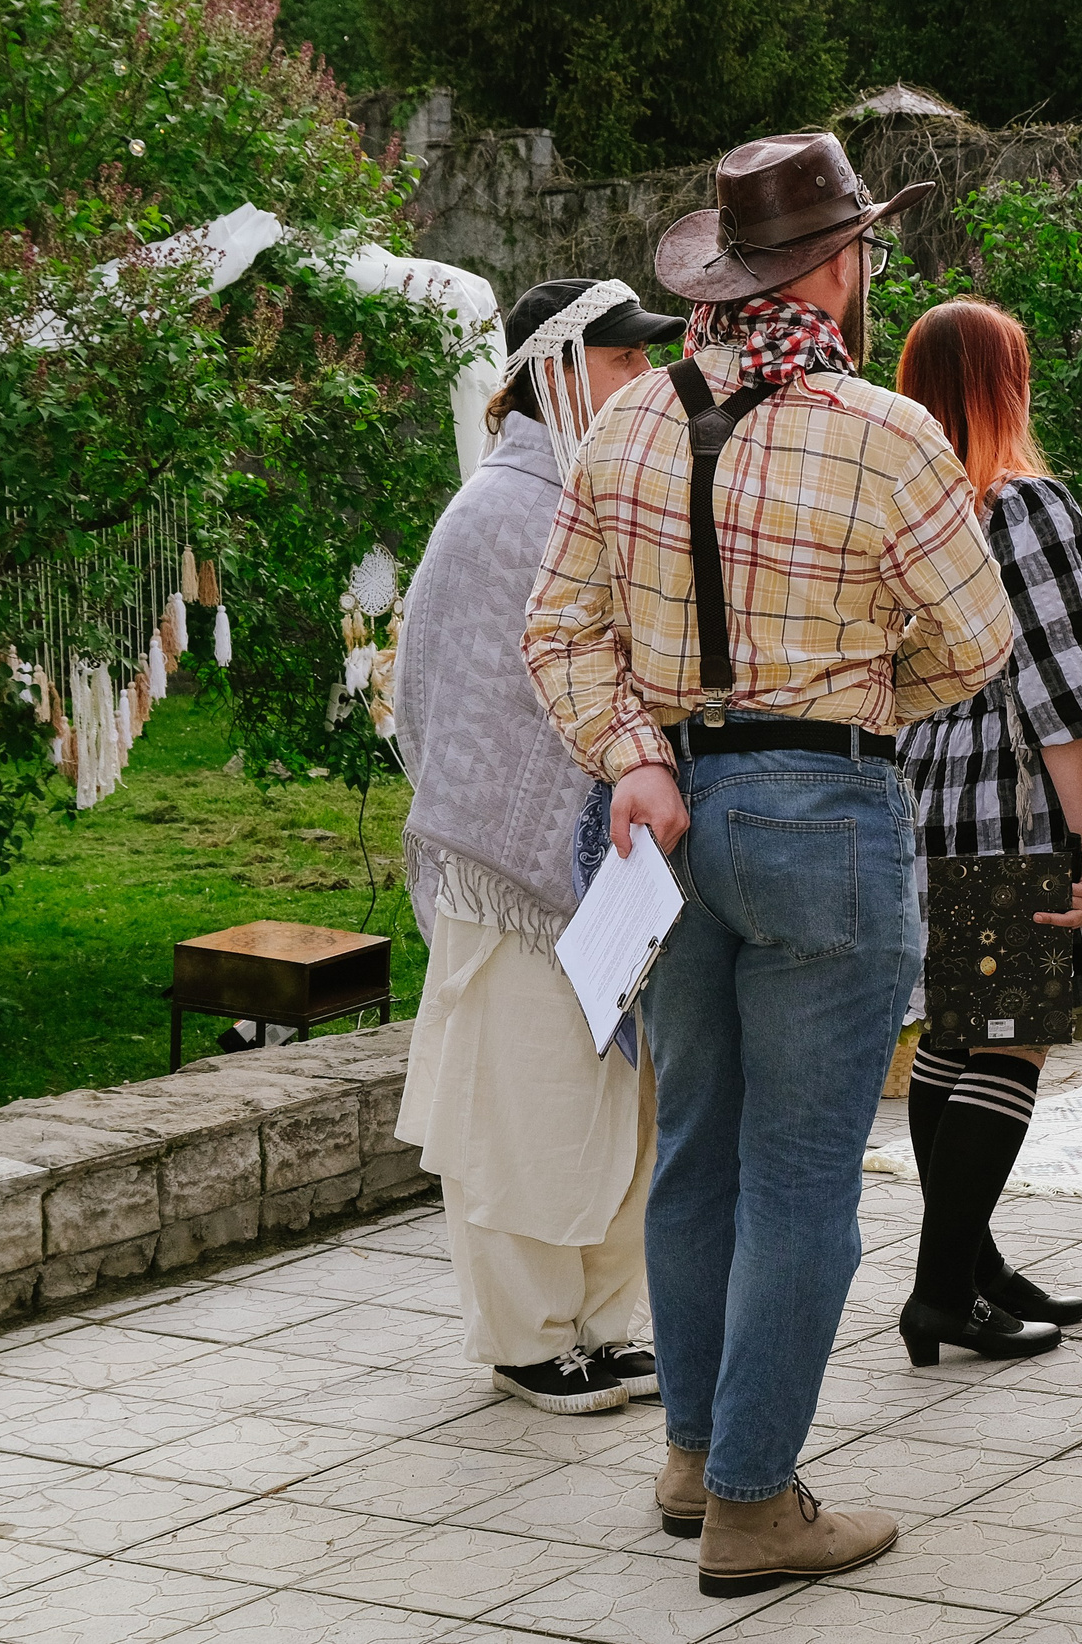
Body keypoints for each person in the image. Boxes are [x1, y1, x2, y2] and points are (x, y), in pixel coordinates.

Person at [523, 133, 1015, 1597]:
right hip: (823, 814)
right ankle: (752, 1502)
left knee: (697, 1148)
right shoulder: (888, 432)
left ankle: (691, 1452)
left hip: (662, 821)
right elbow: (976, 646)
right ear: (841, 266)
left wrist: (642, 756)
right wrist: (858, 698)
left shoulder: (624, 425)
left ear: (728, 279)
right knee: (802, 1173)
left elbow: (559, 635)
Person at [394, 277, 684, 1415]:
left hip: (614, 859)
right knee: (521, 1103)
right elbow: (442, 704)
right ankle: (526, 1338)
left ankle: (604, 1326)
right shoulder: (497, 514)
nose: (648, 381)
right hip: (507, 868)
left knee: (616, 1105)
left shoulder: (593, 499)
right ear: (559, 369)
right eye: (624, 362)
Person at [892, 298, 1082, 1365]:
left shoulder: (906, 511)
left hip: (928, 798)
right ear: (1004, 388)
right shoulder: (1023, 508)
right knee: (1010, 1038)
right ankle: (938, 1294)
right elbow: (1063, 697)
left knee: (955, 1033)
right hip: (1013, 803)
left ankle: (973, 1264)